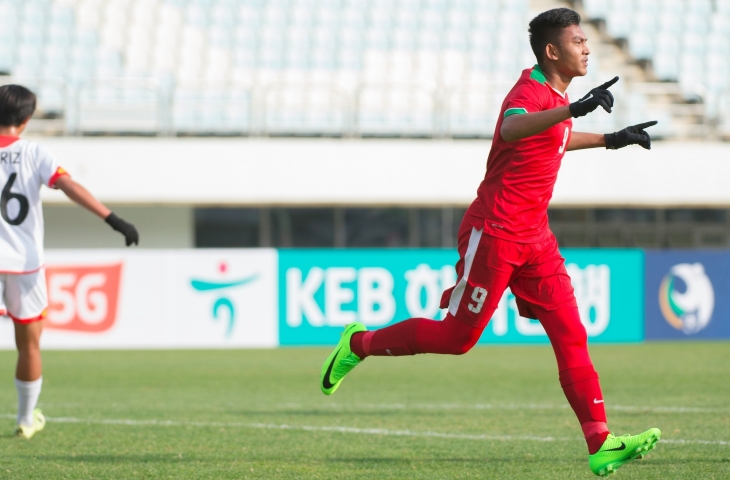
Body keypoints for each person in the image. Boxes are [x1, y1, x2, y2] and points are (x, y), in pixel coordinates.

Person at [320, 8, 660, 477]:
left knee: (571, 334)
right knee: (457, 339)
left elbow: (555, 137)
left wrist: (611, 138)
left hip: (536, 238)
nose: (586, 48)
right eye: (578, 41)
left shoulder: (555, 97)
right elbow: (512, 128)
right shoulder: (528, 92)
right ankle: (358, 344)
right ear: (551, 51)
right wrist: (573, 108)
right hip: (496, 232)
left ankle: (600, 443)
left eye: (586, 40)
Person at [0, 84, 139, 439]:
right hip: (24, 265)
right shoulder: (34, 152)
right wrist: (113, 219)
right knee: (28, 344)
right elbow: (68, 185)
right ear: (27, 119)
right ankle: (26, 420)